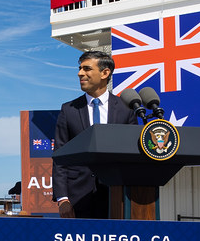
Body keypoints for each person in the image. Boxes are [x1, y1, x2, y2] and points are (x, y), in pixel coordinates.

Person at [52, 51, 137, 219]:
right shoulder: (68, 110)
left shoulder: (126, 109)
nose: (80, 73)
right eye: (80, 68)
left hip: (116, 197)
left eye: (87, 69)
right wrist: (62, 199)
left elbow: (132, 155)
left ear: (105, 73)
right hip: (77, 199)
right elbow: (59, 157)